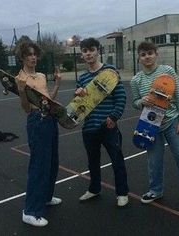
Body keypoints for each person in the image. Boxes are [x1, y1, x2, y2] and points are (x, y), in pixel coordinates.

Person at [130, 41, 179, 210]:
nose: (147, 57)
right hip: (150, 124)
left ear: (156, 54)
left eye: (150, 53)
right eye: (143, 54)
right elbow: (134, 103)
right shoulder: (136, 80)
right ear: (138, 58)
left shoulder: (167, 71)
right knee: (154, 161)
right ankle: (156, 190)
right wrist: (142, 101)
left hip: (172, 121)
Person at [76, 37, 129, 207]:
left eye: (91, 49)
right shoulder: (82, 78)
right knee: (92, 161)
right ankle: (94, 189)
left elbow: (120, 97)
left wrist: (114, 117)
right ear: (82, 55)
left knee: (117, 160)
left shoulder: (110, 71)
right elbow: (80, 107)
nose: (88, 53)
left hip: (108, 126)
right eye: (85, 51)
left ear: (98, 51)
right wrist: (78, 96)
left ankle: (122, 193)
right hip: (89, 127)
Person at [15, 40, 62, 227]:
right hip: (36, 121)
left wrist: (57, 84)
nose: (32, 57)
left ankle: (46, 197)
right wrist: (20, 90)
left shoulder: (42, 76)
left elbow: (49, 100)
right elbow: (27, 109)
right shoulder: (20, 79)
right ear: (22, 57)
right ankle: (31, 211)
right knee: (39, 165)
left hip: (50, 118)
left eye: (34, 54)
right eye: (29, 54)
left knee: (52, 162)